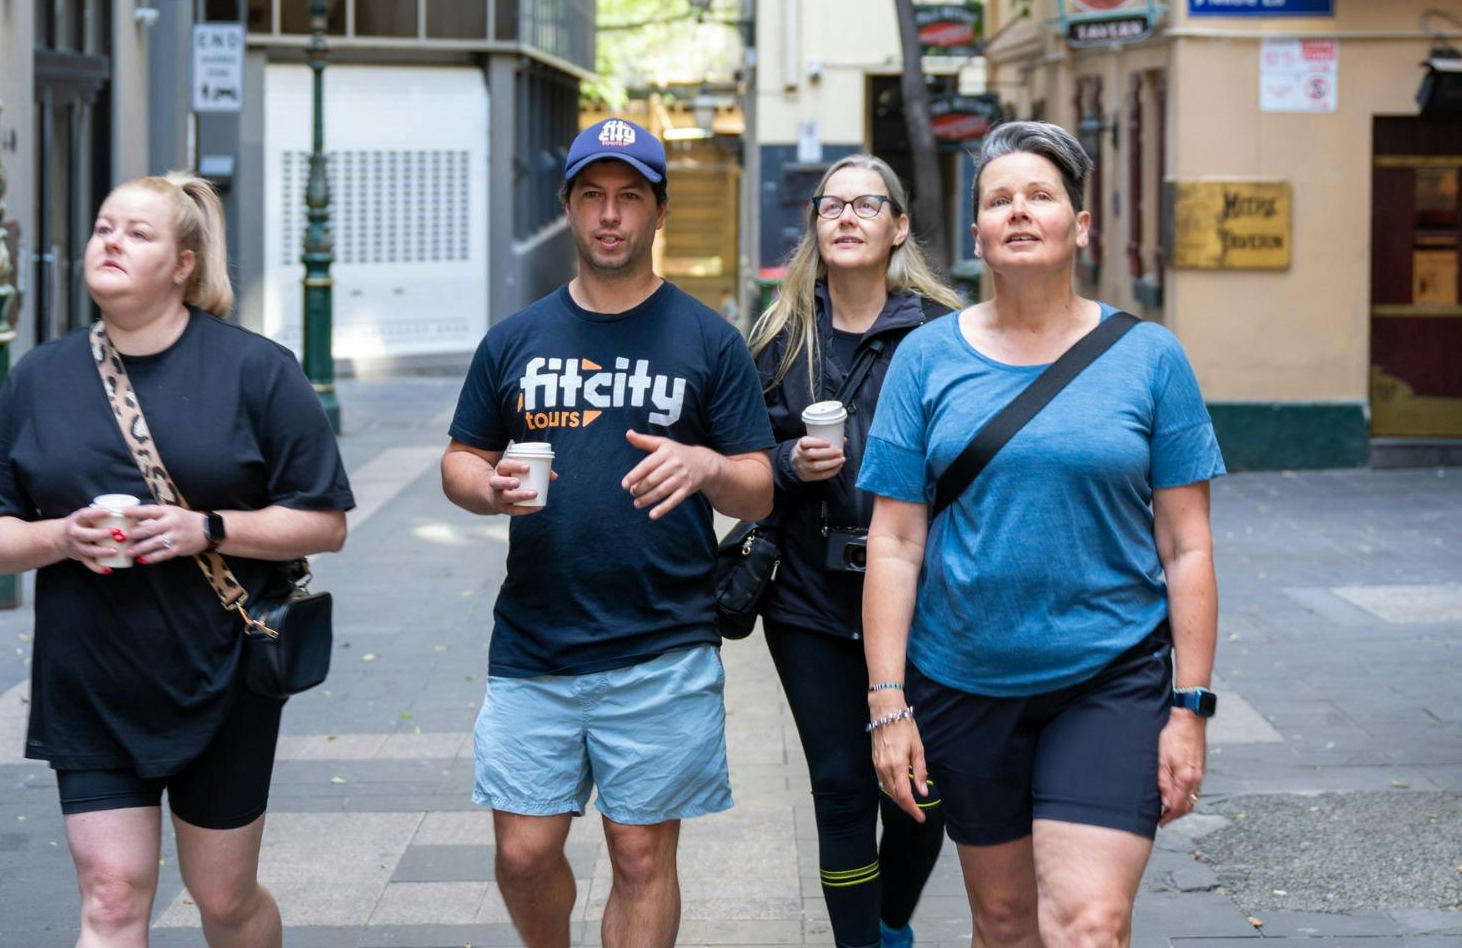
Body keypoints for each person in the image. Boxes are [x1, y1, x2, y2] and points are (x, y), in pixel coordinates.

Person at [0, 173, 354, 948]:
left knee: (224, 899)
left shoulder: (257, 371)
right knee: (111, 899)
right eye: (104, 227)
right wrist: (59, 538)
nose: (110, 241)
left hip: (222, 676)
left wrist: (205, 528)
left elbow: (325, 522)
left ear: (183, 264)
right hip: (91, 677)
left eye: (137, 233)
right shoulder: (39, 378)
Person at [857, 121, 1224, 948]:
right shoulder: (924, 359)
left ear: (1080, 225)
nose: (1019, 212)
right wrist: (889, 705)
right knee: (1007, 924)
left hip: (1110, 675)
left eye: (1041, 196)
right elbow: (895, 543)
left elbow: (1187, 545)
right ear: (977, 233)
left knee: (1088, 923)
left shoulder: (1150, 358)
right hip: (963, 680)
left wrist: (1189, 707)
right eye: (999, 200)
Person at [442, 117, 775, 948]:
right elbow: (459, 457)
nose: (610, 215)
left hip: (663, 640)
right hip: (536, 640)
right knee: (522, 854)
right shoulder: (515, 340)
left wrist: (705, 466)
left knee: (638, 857)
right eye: (592, 196)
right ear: (569, 208)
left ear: (659, 213)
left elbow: (762, 488)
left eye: (630, 197)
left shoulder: (709, 339)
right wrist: (485, 488)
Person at [748, 155, 959, 948]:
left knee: (923, 792)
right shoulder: (777, 336)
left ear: (897, 226)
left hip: (922, 594)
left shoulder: (946, 337)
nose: (845, 216)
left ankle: (892, 922)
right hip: (809, 593)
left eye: (866, 204)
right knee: (841, 790)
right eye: (830, 204)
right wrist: (786, 465)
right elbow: (739, 462)